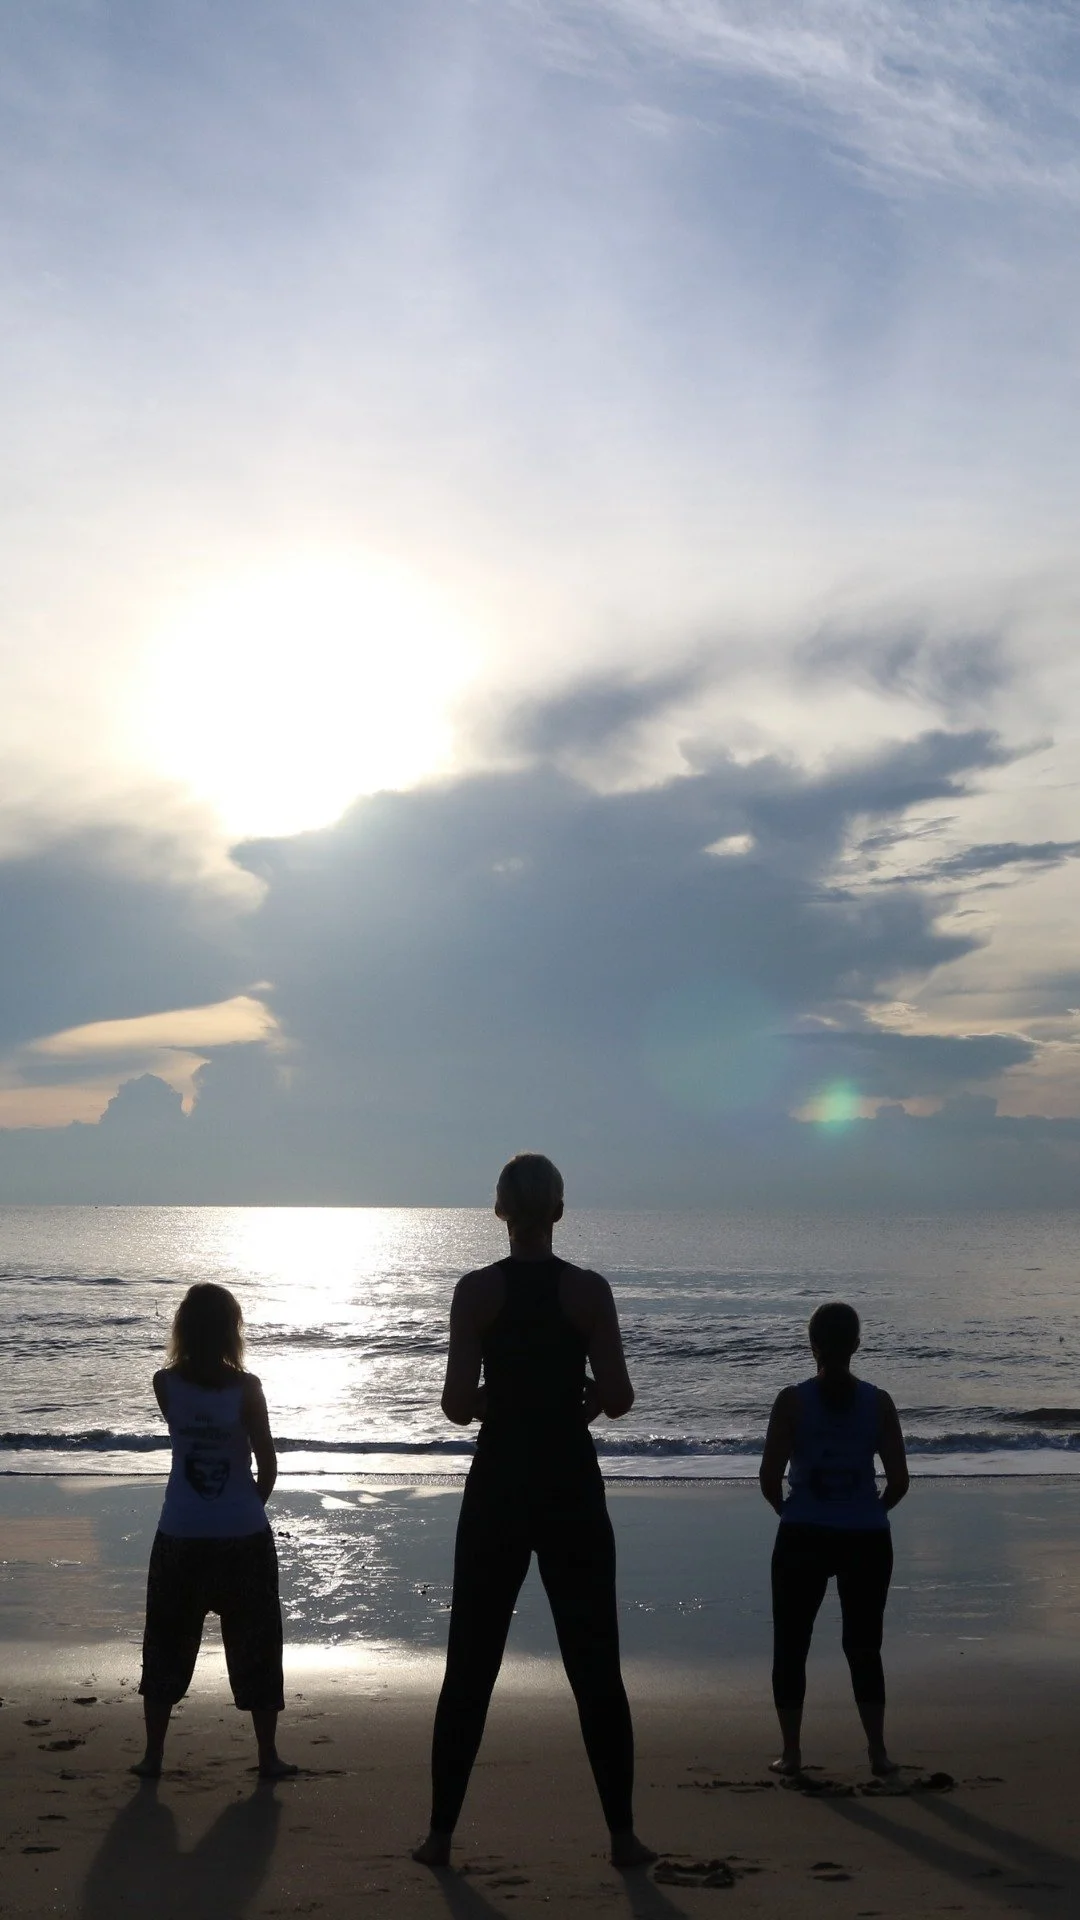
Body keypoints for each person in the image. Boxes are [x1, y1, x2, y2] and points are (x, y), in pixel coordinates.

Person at [413, 1154, 655, 1869]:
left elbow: (457, 1406)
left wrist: (500, 1401)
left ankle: (440, 1837)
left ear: (500, 1211)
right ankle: (622, 1838)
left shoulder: (476, 1292)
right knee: (595, 1662)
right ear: (559, 1211)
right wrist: (578, 1401)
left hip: (499, 1482)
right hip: (569, 1482)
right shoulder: (587, 1291)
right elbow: (619, 1395)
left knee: (471, 1661)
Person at [132, 1282, 295, 1780]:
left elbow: (186, 1429)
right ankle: (267, 1756)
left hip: (180, 1531)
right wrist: (242, 1508)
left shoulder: (165, 1383)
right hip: (242, 1535)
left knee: (166, 1643)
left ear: (183, 1327)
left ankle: (153, 1757)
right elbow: (267, 1464)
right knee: (257, 1646)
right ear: (231, 1331)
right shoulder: (247, 1388)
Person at [758, 1301, 909, 1779]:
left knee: (791, 1643)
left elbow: (769, 1478)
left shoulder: (792, 1401)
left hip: (803, 1533)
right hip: (866, 1536)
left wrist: (790, 1510)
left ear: (812, 1345)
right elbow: (899, 1481)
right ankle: (877, 1751)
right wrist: (870, 1511)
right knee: (864, 1645)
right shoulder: (879, 1402)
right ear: (857, 1345)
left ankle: (792, 1753)